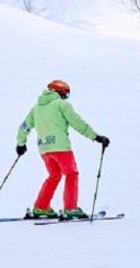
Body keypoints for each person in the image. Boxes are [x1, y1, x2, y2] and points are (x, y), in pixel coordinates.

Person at [16, 80, 110, 219]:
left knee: (54, 175)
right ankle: (70, 208)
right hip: (60, 147)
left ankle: (41, 207)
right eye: (65, 94)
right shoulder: (61, 104)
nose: (65, 97)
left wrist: (20, 144)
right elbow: (77, 122)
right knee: (71, 174)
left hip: (44, 149)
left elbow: (24, 126)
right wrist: (96, 137)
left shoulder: (36, 108)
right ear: (59, 92)